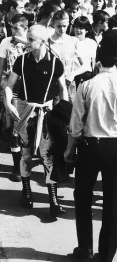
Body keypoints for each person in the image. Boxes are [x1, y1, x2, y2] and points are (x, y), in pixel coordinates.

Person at [64, 30, 117, 261]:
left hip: (89, 147)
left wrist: (69, 150)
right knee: (112, 203)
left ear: (99, 58)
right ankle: (105, 255)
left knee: (83, 198)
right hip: (116, 148)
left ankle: (84, 249)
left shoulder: (86, 86)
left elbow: (75, 124)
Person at [5, 24, 68, 216]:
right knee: (25, 153)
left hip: (46, 112)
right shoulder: (21, 61)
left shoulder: (55, 62)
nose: (27, 41)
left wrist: (65, 112)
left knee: (48, 155)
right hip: (25, 111)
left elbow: (63, 88)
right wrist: (8, 103)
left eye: (31, 39)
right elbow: (9, 85)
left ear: (42, 41)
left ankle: (53, 200)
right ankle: (27, 192)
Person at [0, 14, 28, 182]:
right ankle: (16, 166)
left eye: (16, 28)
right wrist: (3, 85)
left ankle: (26, 161)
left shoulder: (31, 42)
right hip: (11, 88)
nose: (13, 31)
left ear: (25, 28)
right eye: (11, 27)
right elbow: (1, 67)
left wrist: (24, 42)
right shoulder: (5, 42)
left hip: (28, 90)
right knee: (13, 129)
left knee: (26, 129)